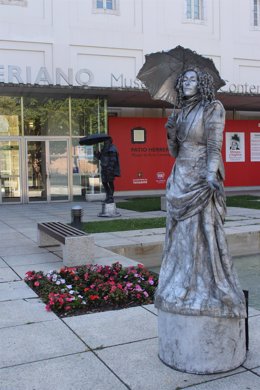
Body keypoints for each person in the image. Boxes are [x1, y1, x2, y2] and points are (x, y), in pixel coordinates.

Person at [154, 69, 246, 319]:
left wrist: (209, 176)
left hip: (200, 178)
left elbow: (214, 146)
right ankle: (180, 280)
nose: (186, 83)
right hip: (180, 176)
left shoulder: (212, 108)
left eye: (192, 79)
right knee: (181, 235)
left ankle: (202, 285)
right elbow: (174, 151)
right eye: (184, 80)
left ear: (202, 83)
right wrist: (171, 132)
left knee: (201, 233)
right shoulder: (181, 112)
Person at [95, 137, 120, 203]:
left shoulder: (112, 149)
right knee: (104, 182)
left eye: (106, 141)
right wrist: (97, 153)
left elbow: (113, 160)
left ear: (109, 141)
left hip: (109, 169)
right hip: (104, 168)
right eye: (104, 142)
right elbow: (101, 158)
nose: (104, 143)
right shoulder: (105, 149)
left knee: (110, 182)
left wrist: (110, 168)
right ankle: (108, 196)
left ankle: (111, 197)